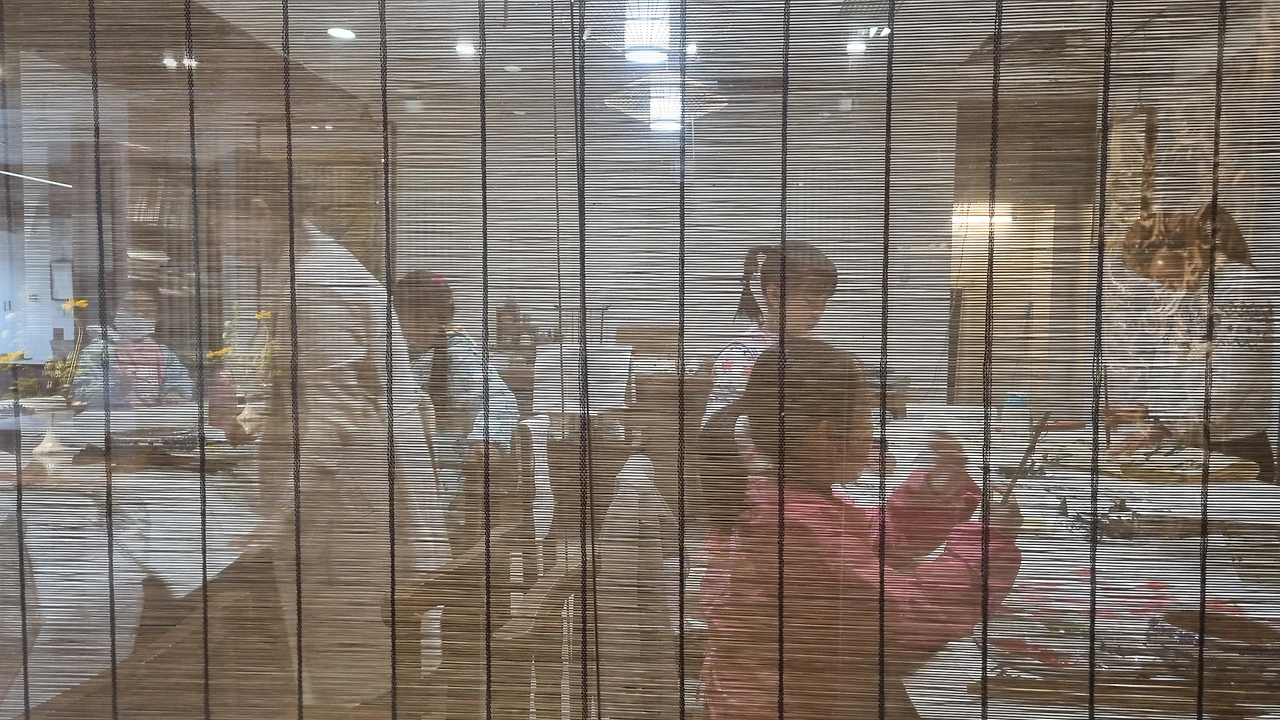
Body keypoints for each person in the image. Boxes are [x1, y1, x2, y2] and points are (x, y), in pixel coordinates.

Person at [699, 338, 1022, 720]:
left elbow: (865, 539)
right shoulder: (792, 526)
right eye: (867, 416)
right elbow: (911, 619)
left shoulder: (783, 496)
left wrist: (936, 492)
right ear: (824, 435)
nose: (873, 431)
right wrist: (986, 544)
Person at [238, 182, 449, 717]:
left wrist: (283, 511)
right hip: (371, 490)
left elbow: (335, 416)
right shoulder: (318, 265)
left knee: (356, 671)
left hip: (355, 504)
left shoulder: (314, 280)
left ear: (260, 209)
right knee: (381, 663)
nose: (220, 243)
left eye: (219, 225)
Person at [1108, 204, 1274, 483]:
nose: (1164, 285)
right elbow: (1172, 370)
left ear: (1192, 250)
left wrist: (1163, 423)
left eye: (1167, 276)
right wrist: (1149, 411)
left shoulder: (1243, 289)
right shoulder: (1189, 291)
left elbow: (1232, 383)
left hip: (1232, 448)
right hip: (1189, 444)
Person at [393, 270, 519, 537]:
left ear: (430, 318)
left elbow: (500, 398)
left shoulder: (459, 353)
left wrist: (486, 440)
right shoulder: (418, 351)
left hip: (447, 464)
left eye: (401, 322)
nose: (400, 331)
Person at [701, 241, 838, 428]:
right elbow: (720, 425)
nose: (818, 312)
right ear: (774, 295)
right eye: (809, 302)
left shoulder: (823, 351)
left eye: (824, 302)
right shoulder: (742, 355)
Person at [70, 285, 194, 409]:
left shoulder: (163, 353)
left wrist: (173, 394)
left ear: (157, 317)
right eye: (129, 308)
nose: (138, 315)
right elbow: (82, 389)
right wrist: (119, 388)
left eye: (146, 312)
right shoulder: (96, 352)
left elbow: (179, 379)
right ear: (114, 310)